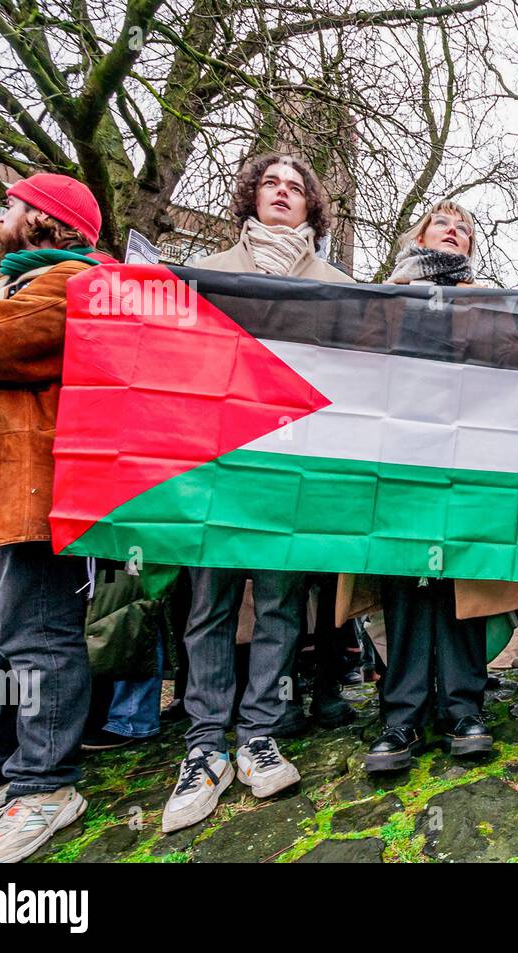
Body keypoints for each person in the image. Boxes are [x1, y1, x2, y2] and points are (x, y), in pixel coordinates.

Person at [162, 155, 354, 833]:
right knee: (210, 606)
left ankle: (258, 735)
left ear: (311, 206)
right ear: (252, 195)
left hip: (289, 473)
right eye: (271, 182)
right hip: (216, 466)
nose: (281, 192)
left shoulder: (337, 286)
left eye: (295, 185)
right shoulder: (204, 273)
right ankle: (204, 745)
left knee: (278, 605)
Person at [0, 173, 112, 861]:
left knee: (36, 635)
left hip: (24, 484)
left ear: (48, 220)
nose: (1, 214)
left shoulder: (75, 280)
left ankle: (44, 783)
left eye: (10, 205)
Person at [364, 199, 518, 771]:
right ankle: (401, 716)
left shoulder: (489, 301)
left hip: (468, 462)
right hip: (403, 461)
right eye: (443, 223)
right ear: (421, 234)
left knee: (463, 580)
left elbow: (514, 365)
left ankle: (464, 708)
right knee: (408, 586)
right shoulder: (384, 296)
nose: (453, 232)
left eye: (464, 228)